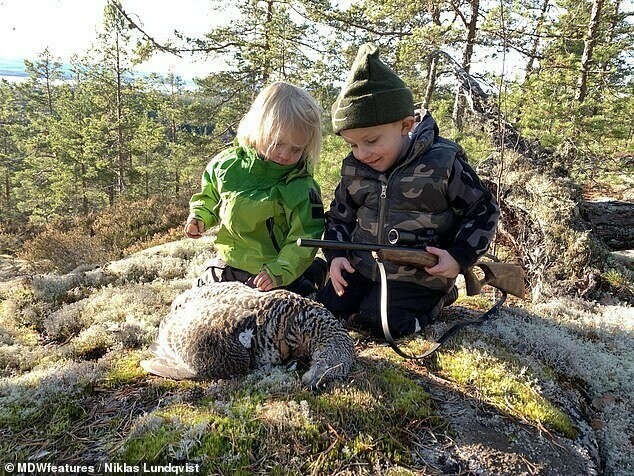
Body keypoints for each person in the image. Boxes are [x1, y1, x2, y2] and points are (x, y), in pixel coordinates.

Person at [316, 44, 500, 338]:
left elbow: (483, 209)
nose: (361, 153)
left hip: (420, 278)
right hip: (363, 269)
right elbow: (339, 217)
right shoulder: (354, 169)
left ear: (406, 125)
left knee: (380, 322)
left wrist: (459, 257)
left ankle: (440, 299)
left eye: (372, 140)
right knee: (324, 310)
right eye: (352, 144)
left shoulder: (444, 163)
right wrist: (336, 255)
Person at [185, 81, 327, 297]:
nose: (285, 155)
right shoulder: (228, 165)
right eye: (277, 143)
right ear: (258, 129)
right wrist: (200, 216)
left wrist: (280, 271)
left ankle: (311, 274)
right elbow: (210, 193)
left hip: (274, 273)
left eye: (296, 149)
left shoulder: (301, 188)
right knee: (190, 305)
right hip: (228, 264)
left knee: (289, 316)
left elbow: (306, 237)